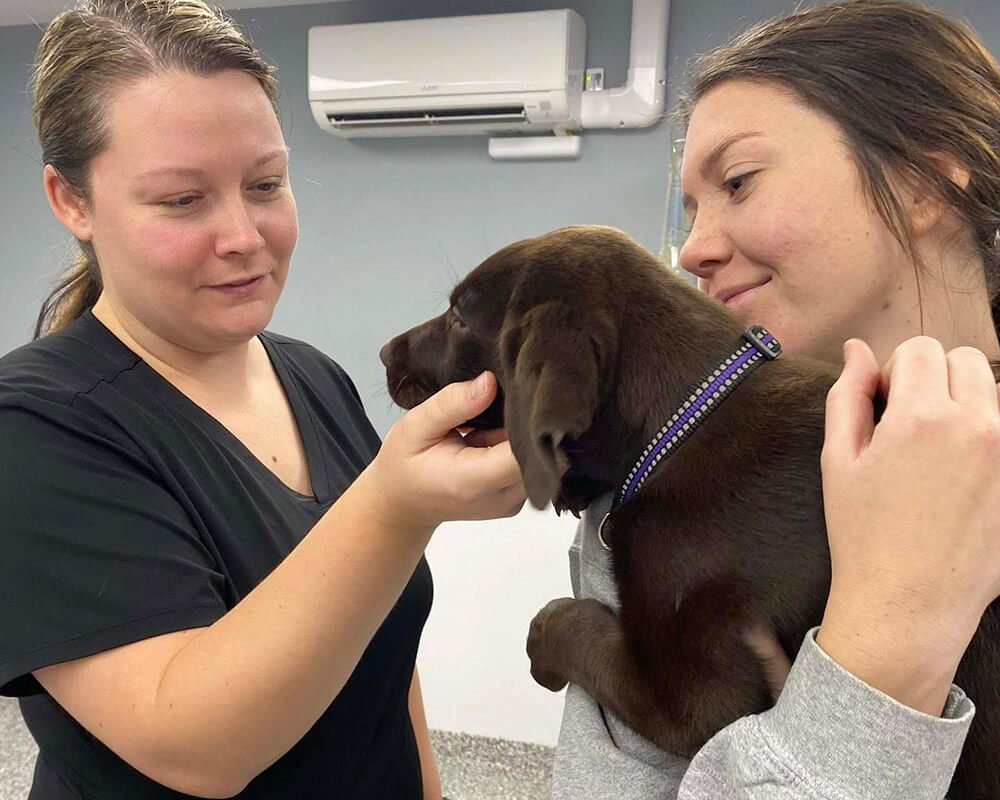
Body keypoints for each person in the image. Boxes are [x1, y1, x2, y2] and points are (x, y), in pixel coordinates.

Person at [0, 1, 526, 798]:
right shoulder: (34, 428)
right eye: (183, 200)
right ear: (72, 201)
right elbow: (196, 746)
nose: (244, 235)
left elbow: (379, 646)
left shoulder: (312, 377)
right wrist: (395, 506)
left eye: (266, 184)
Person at [550, 2, 1000, 799]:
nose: (691, 249)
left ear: (927, 179)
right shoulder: (653, 492)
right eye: (691, 210)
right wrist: (885, 656)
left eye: (738, 182)